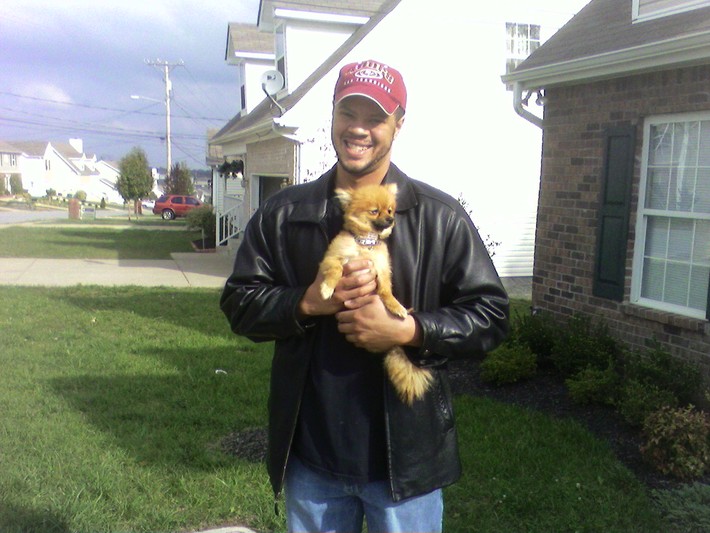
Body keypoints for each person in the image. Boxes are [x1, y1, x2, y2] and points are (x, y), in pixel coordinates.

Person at [220, 59, 509, 533]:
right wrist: (307, 303)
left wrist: (408, 330)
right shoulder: (285, 214)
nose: (358, 129)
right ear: (332, 115)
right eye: (347, 113)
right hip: (313, 461)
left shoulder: (439, 218)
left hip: (406, 467)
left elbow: (491, 316)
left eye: (374, 118)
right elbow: (240, 303)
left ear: (398, 125)